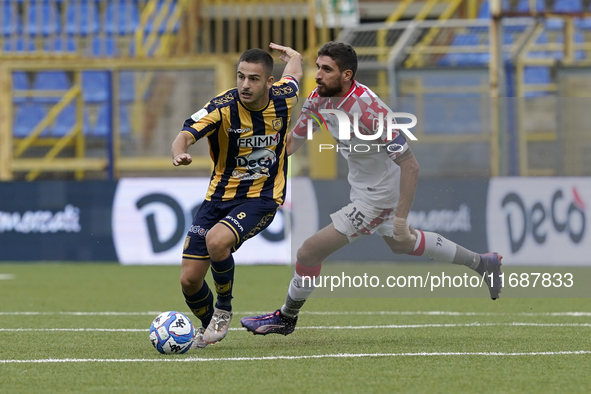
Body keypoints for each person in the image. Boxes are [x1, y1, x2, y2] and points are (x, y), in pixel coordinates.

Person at [240, 41, 502, 336]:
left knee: (308, 253)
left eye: (327, 69)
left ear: (347, 75)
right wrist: (256, 159)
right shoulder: (318, 99)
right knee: (401, 243)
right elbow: (291, 143)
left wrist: (400, 218)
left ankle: (286, 318)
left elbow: (411, 165)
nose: (318, 75)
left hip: (379, 197)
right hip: (363, 189)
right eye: (317, 67)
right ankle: (483, 263)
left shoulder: (368, 110)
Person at [171, 43, 303, 347]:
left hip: (262, 198)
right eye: (241, 76)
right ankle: (209, 328)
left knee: (217, 241)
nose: (245, 84)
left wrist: (295, 58)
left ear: (270, 82)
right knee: (189, 280)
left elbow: (294, 76)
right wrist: (180, 152)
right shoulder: (222, 107)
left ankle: (223, 309)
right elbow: (186, 133)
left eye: (254, 79)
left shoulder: (283, 99)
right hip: (218, 198)